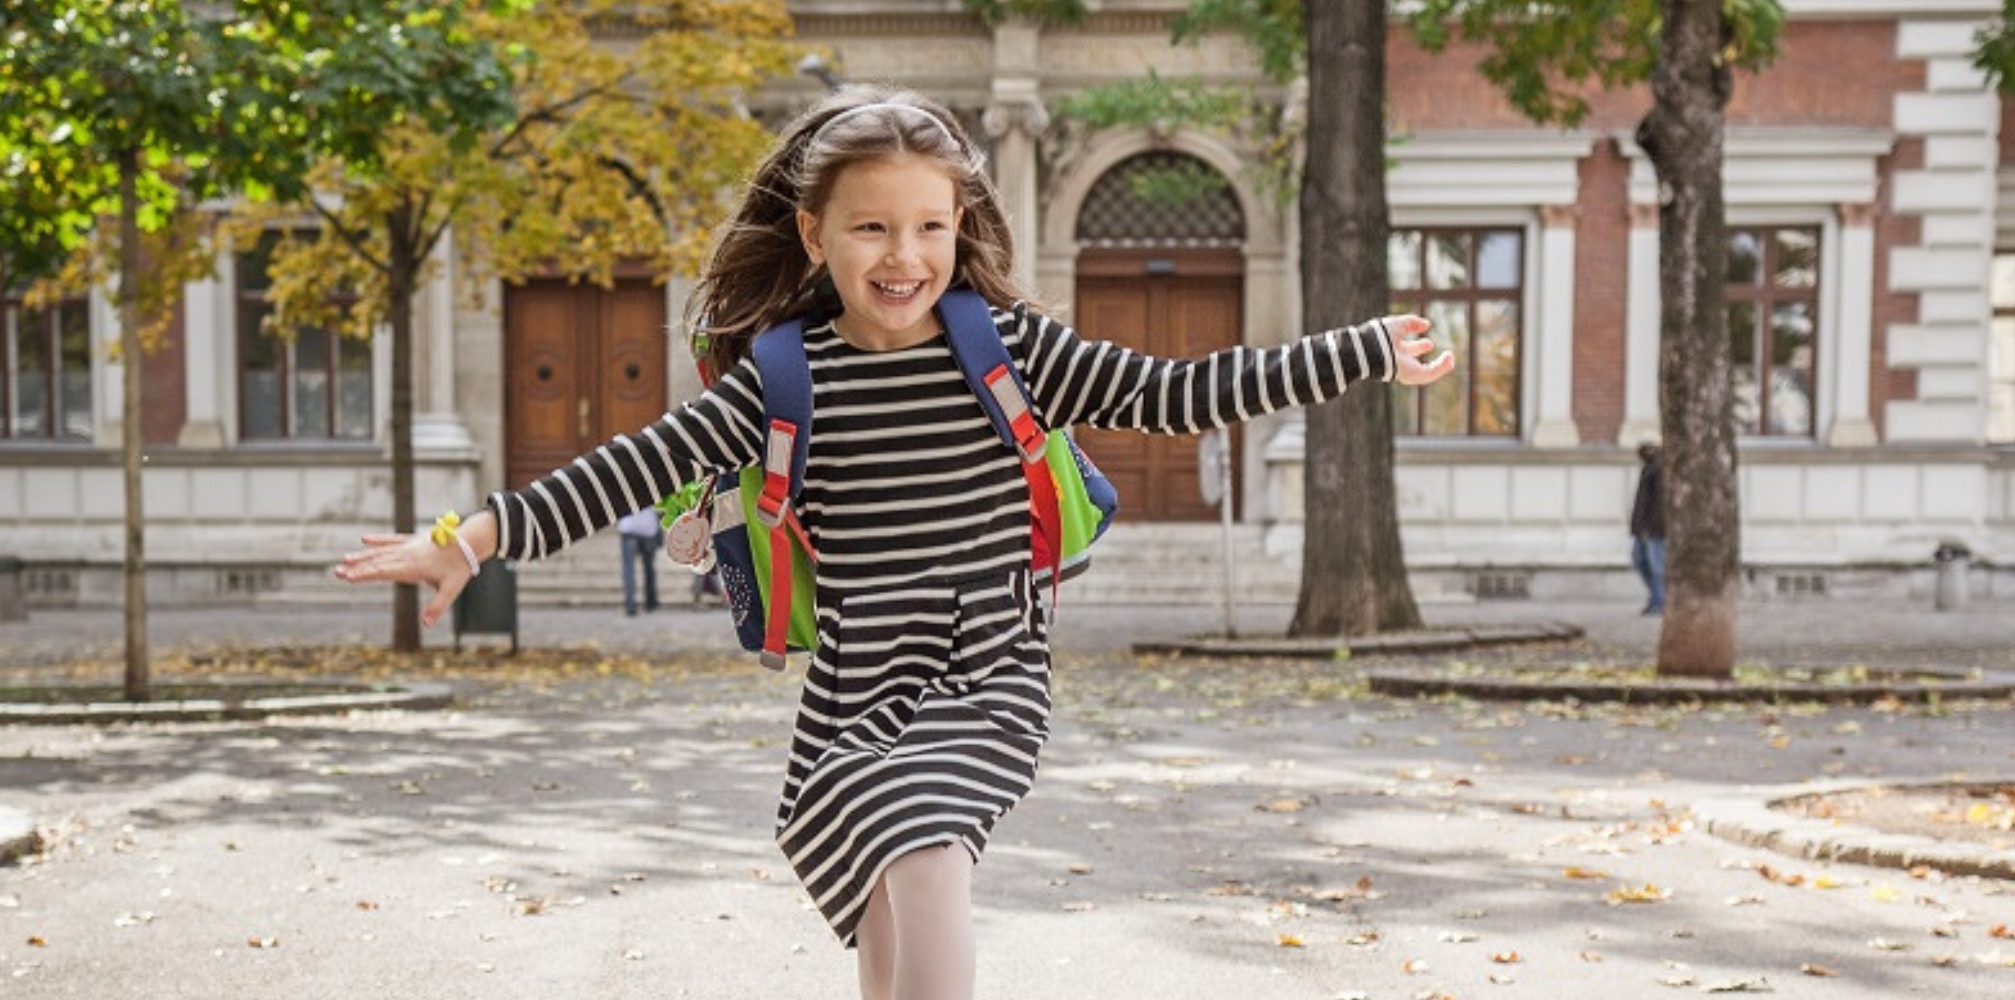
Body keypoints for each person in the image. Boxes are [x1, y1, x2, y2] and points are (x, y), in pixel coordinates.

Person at [331, 85, 1454, 1000]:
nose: (903, 254)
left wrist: (1360, 349)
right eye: (871, 226)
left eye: (929, 224)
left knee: (920, 838)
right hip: (856, 680)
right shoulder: (786, 373)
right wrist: (467, 539)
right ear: (816, 235)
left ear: (958, 226)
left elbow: (1183, 392)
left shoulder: (1005, 346)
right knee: (877, 887)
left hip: (989, 671)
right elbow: (633, 463)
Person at [1629, 442, 1665, 615]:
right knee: (1641, 562)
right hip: (1644, 528)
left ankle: (1660, 601)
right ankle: (1656, 598)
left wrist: (1651, 528)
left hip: (1654, 529)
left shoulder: (1659, 468)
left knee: (1656, 565)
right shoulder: (1649, 468)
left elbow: (1659, 504)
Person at [615, 505, 661, 616]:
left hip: (629, 526)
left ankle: (630, 603)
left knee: (628, 568)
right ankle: (650, 601)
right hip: (648, 527)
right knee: (649, 567)